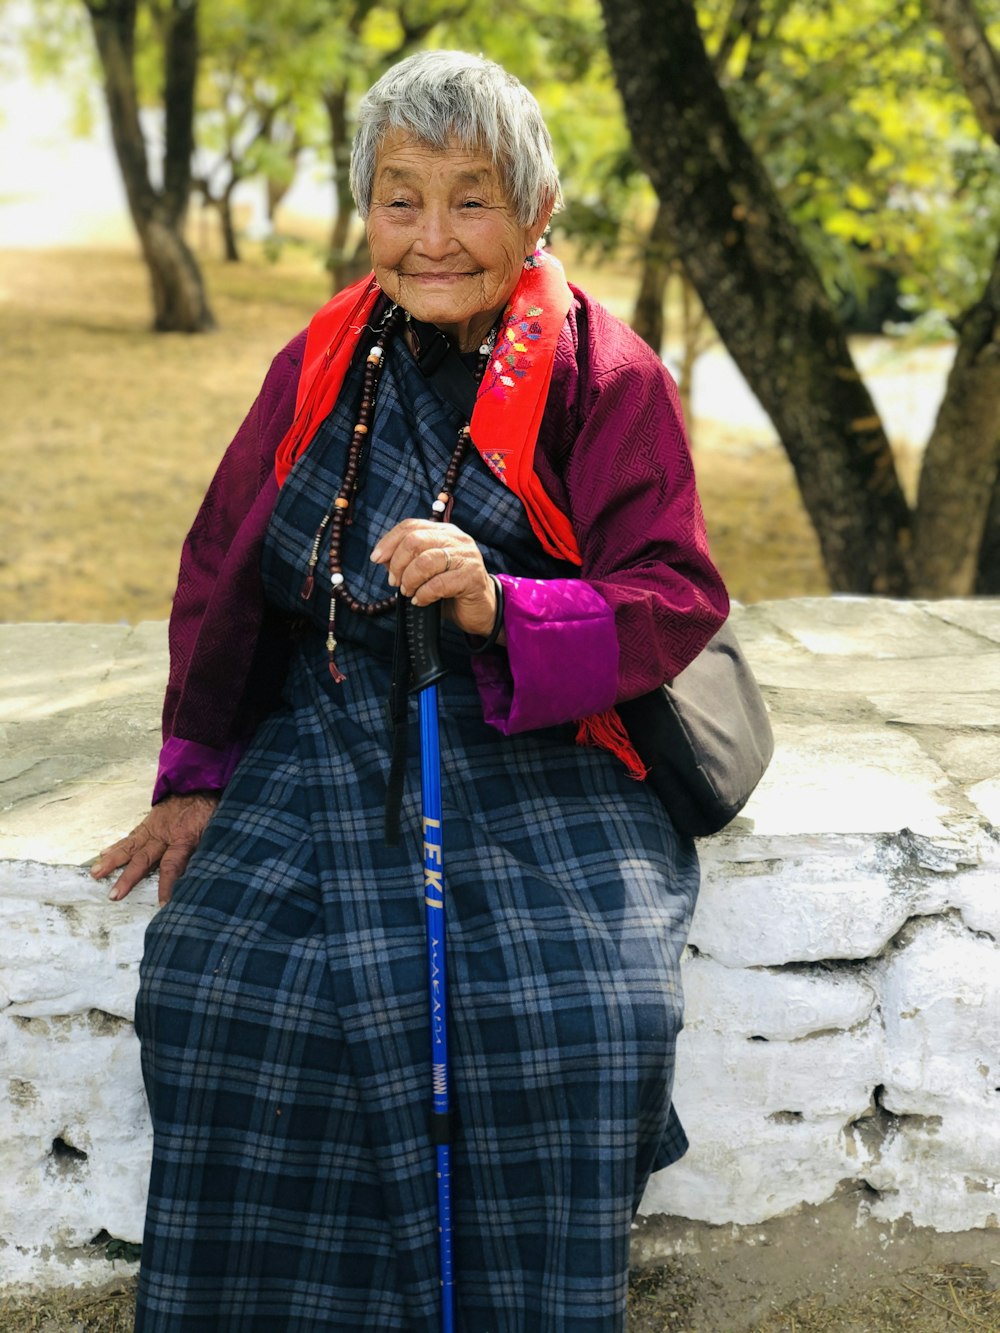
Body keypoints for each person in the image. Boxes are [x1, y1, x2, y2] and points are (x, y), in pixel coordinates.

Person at [92, 49, 728, 1332]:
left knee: (586, 1007)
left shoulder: (606, 374)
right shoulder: (324, 356)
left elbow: (671, 593)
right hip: (329, 717)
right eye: (401, 197)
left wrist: (502, 598)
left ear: (537, 212)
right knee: (216, 984)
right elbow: (227, 558)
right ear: (366, 210)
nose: (433, 236)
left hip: (538, 734)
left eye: (473, 198)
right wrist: (196, 769)